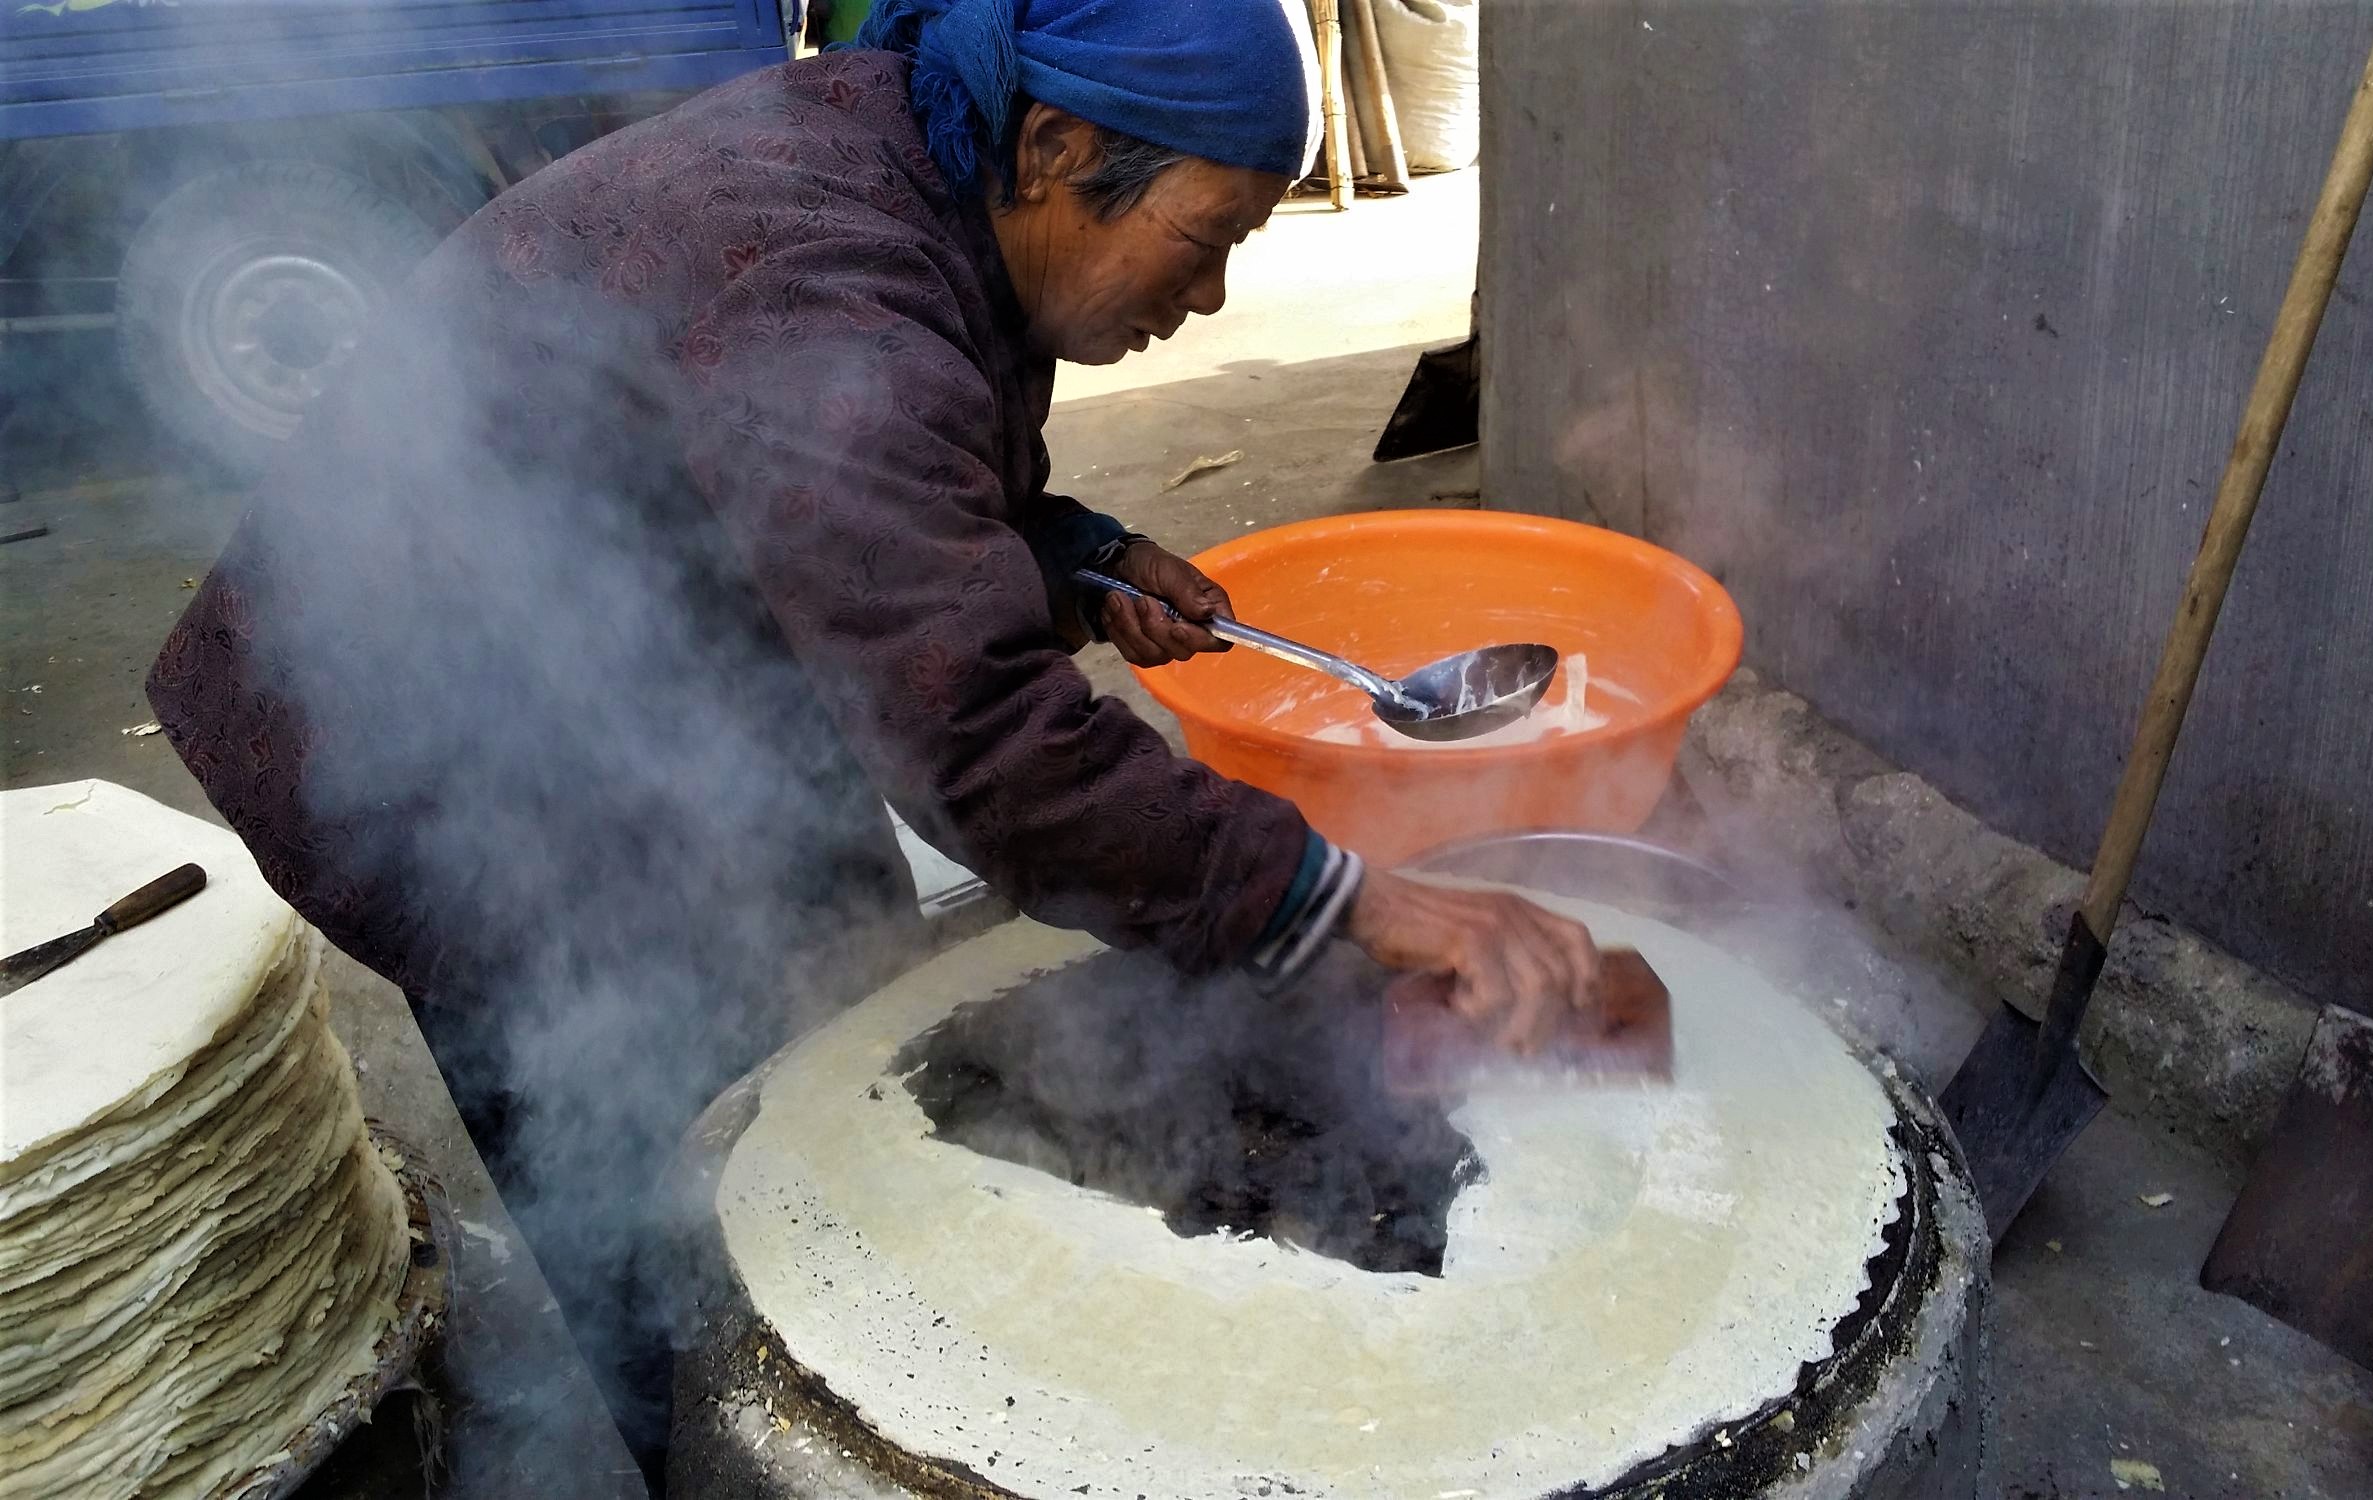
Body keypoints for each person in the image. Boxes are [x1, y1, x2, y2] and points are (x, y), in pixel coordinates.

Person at [146, 0, 1598, 1475]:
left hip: (656, 650)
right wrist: (1339, 896)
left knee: (833, 997)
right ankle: (719, 1448)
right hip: (437, 729)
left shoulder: (923, 158)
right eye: (1203, 235)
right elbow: (983, 743)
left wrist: (1069, 552)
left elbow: (837, 481)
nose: (1213, 300)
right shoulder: (818, 263)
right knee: (661, 1175)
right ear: (1055, 144)